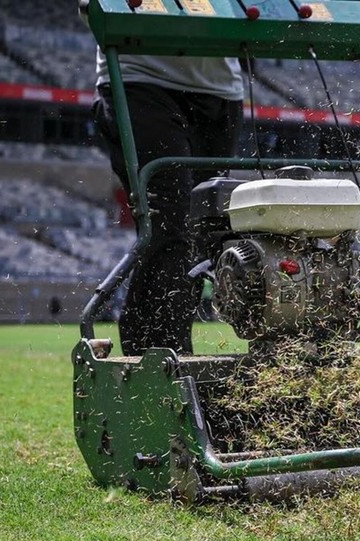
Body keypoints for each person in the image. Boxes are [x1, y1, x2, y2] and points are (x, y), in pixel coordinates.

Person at [92, 51, 244, 355]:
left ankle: (174, 355)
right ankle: (155, 360)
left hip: (220, 90)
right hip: (141, 79)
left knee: (200, 232)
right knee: (169, 225)